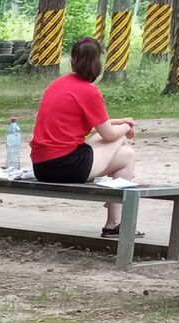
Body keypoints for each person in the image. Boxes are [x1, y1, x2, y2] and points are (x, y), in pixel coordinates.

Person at [30, 37, 142, 239]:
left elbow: (93, 125)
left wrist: (119, 122)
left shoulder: (58, 84)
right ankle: (114, 216)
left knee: (126, 154)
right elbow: (108, 134)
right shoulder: (89, 91)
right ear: (98, 63)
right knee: (123, 147)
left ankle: (114, 223)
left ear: (72, 60)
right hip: (66, 166)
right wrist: (127, 126)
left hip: (42, 166)